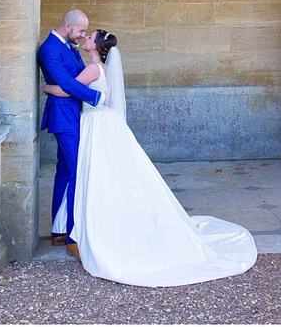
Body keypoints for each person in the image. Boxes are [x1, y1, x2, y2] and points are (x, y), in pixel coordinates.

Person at [43, 29, 257, 287]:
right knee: (104, 173)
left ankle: (92, 226)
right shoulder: (103, 68)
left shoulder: (92, 70)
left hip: (96, 125)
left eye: (90, 38)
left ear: (96, 47)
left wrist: (46, 87)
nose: (85, 38)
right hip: (103, 123)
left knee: (95, 174)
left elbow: (68, 90)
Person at [38, 9, 103, 261]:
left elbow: (74, 80)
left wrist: (48, 87)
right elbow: (67, 83)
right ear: (67, 26)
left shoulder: (69, 45)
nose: (83, 35)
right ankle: (74, 238)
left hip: (75, 115)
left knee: (65, 170)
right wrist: (96, 97)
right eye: (81, 31)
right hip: (64, 118)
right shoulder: (50, 49)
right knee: (77, 172)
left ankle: (59, 231)